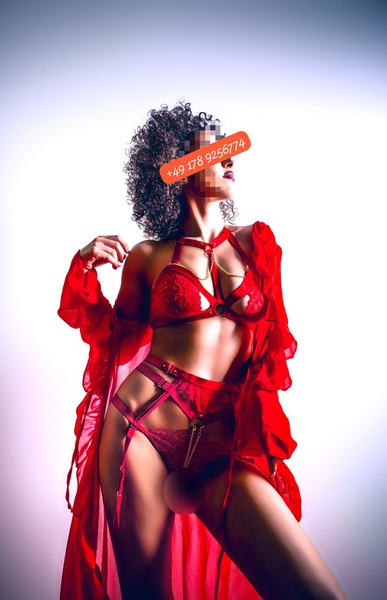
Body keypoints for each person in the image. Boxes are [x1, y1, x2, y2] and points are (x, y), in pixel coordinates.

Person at [58, 102, 347, 599]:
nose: (229, 158)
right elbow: (114, 339)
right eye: (214, 150)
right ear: (179, 168)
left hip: (220, 446)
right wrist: (84, 266)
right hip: (139, 430)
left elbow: (268, 356)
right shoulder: (148, 257)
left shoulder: (256, 245)